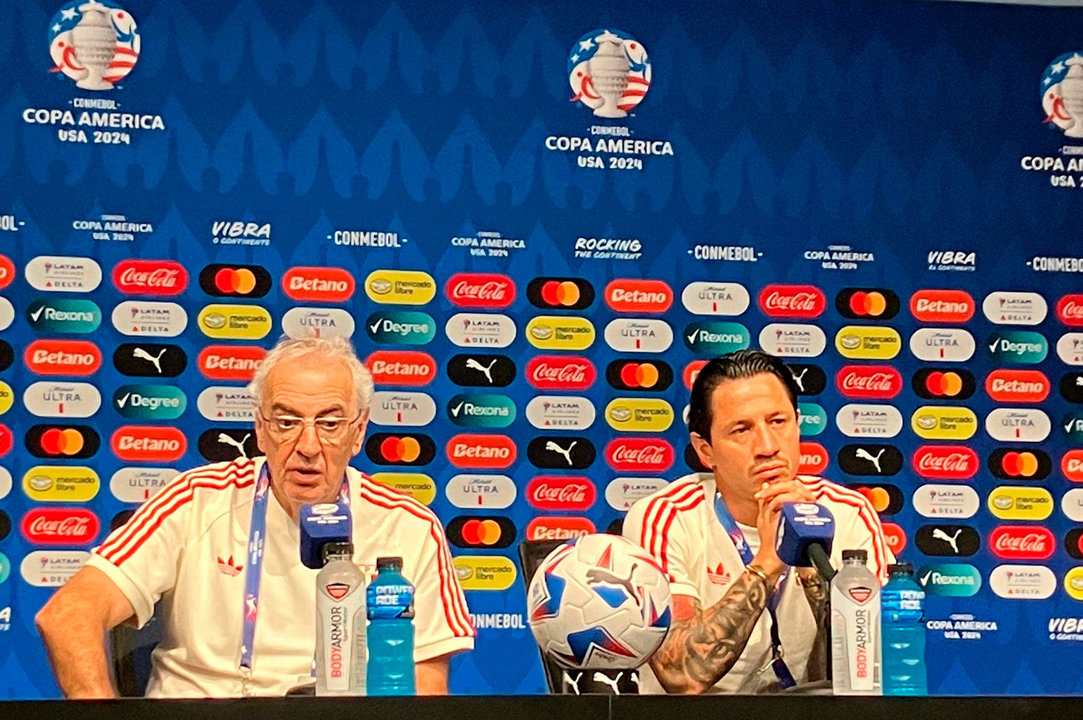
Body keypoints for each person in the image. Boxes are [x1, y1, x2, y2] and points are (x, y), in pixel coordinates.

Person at [36, 335, 475, 698]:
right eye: (286, 422)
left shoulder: (409, 526)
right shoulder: (195, 500)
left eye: (329, 423)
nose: (306, 446)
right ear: (260, 429)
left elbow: (423, 686)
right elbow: (67, 615)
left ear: (358, 432)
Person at [622, 349, 893, 694]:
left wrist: (810, 564)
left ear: (797, 425)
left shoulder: (849, 513)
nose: (767, 446)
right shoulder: (665, 517)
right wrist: (769, 561)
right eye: (741, 430)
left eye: (778, 422)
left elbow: (871, 670)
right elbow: (680, 675)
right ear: (706, 451)